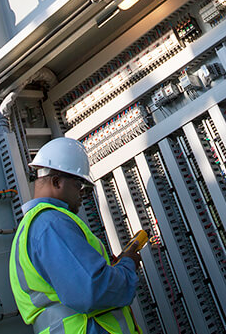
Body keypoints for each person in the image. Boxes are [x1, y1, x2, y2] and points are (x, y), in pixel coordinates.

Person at [9, 137, 143, 334]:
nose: (83, 193)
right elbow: (93, 290)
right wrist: (127, 264)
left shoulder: (32, 227)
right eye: (79, 184)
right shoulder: (51, 224)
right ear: (56, 181)